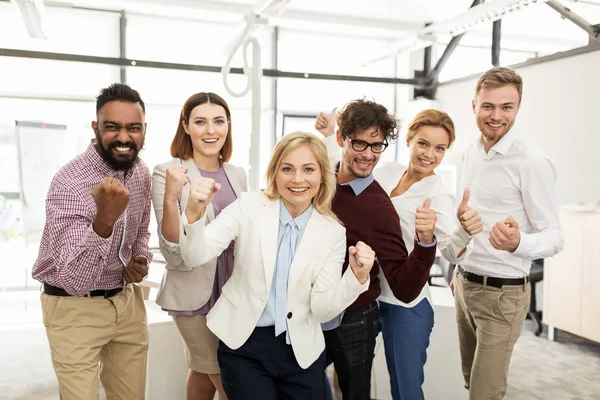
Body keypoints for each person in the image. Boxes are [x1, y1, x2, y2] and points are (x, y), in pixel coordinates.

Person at [180, 132, 376, 400]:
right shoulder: (248, 206)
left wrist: (356, 277)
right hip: (244, 344)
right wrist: (193, 213)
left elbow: (322, 308)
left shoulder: (332, 231)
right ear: (274, 173)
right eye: (287, 169)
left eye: (308, 169)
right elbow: (195, 255)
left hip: (301, 351)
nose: (297, 179)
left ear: (321, 176)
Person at [316, 108, 483, 399]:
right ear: (408, 140)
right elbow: (350, 164)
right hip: (368, 295)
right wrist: (332, 134)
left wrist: (463, 232)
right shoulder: (385, 171)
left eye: (439, 148)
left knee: (404, 390)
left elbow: (452, 252)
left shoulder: (439, 195)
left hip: (405, 304)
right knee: (337, 375)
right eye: (423, 143)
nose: (429, 154)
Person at [32, 83, 152, 400]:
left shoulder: (140, 172)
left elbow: (141, 230)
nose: (124, 138)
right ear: (96, 128)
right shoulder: (69, 182)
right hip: (74, 308)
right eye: (112, 127)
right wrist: (104, 221)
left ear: (144, 130)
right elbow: (74, 279)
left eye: (133, 128)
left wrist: (139, 260)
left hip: (127, 304)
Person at [453, 67, 564, 399]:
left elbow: (555, 236)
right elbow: (468, 217)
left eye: (507, 107)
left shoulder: (532, 161)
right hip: (464, 284)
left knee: (485, 393)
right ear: (473, 105)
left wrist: (519, 242)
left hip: (503, 296)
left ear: (517, 108)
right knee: (470, 382)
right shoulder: (470, 152)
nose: (496, 116)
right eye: (488, 106)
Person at [151, 92, 247, 400]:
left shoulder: (237, 174)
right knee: (226, 378)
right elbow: (170, 246)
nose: (211, 130)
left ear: (228, 126)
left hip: (233, 290)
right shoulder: (169, 171)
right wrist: (171, 197)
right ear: (186, 126)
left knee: (202, 373)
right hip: (194, 291)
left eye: (218, 121)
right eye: (200, 122)